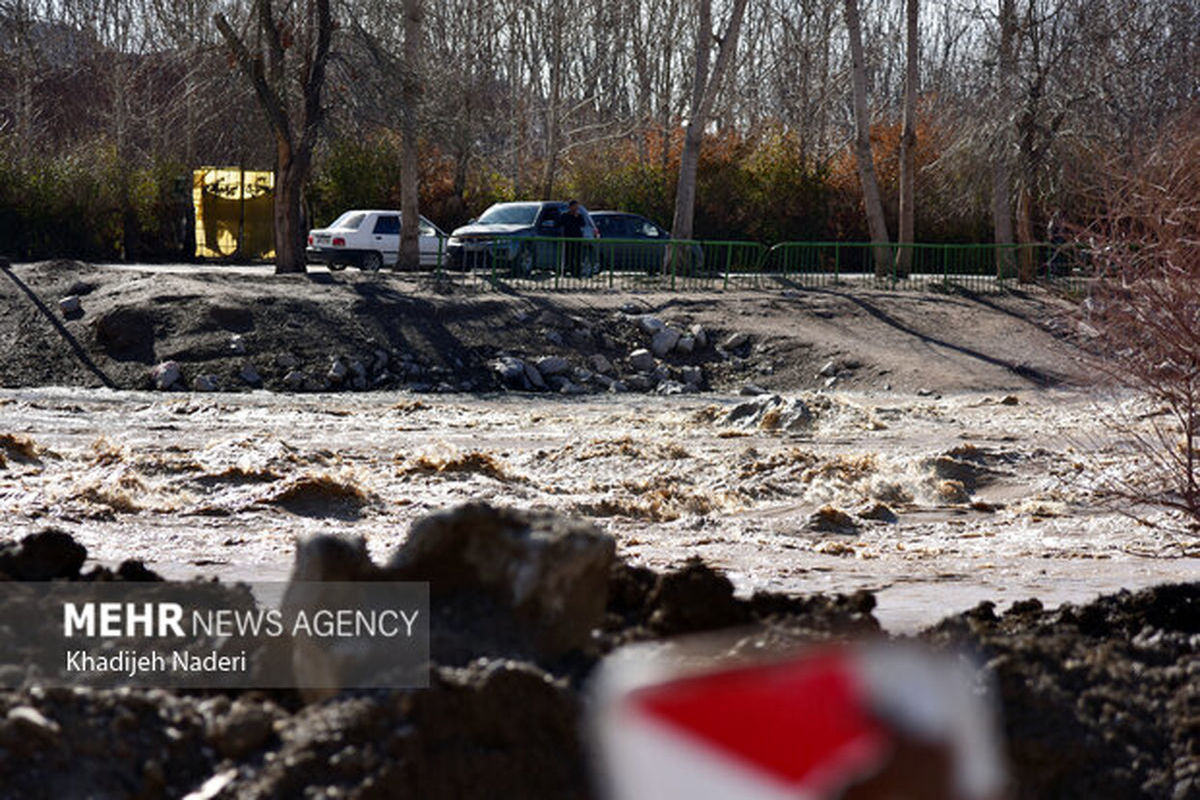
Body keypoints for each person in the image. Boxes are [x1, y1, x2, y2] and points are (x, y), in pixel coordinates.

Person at [559, 199, 586, 276]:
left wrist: (577, 217)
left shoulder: (579, 216)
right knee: (568, 255)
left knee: (577, 256)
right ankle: (567, 270)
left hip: (577, 238)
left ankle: (577, 272)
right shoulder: (565, 215)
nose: (575, 209)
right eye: (574, 207)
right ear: (570, 207)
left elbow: (583, 224)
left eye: (577, 207)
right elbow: (560, 223)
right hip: (568, 238)